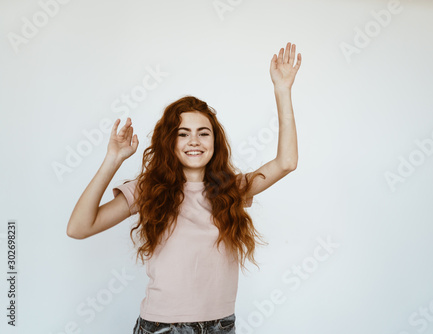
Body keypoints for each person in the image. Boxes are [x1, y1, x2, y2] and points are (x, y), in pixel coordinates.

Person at [66, 42, 301, 334]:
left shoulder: (232, 188)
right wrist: (112, 160)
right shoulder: (148, 189)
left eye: (203, 133)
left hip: (221, 324)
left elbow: (287, 163)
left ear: (215, 143)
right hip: (163, 326)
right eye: (183, 134)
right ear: (170, 142)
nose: (194, 141)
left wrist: (282, 90)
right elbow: (78, 228)